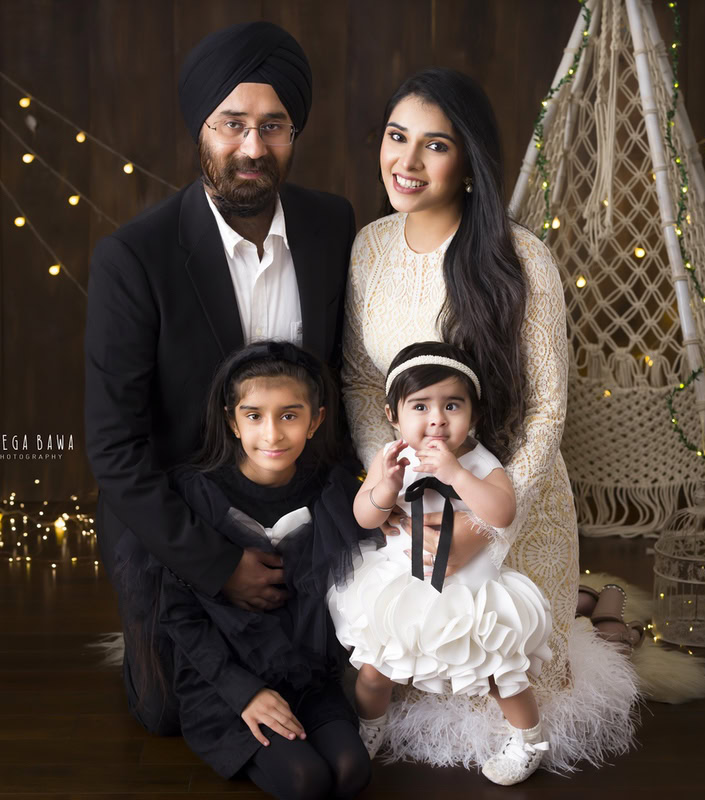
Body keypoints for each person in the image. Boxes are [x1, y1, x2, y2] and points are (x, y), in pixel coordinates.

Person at [340, 68, 638, 772]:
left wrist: (481, 527)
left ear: (469, 161)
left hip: (509, 498)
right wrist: (397, 481)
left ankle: (590, 602)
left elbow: (547, 410)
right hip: (417, 497)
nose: (406, 163)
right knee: (392, 661)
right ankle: (601, 597)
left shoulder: (521, 259)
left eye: (434, 146)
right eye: (396, 137)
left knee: (501, 673)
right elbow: (359, 381)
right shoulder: (369, 248)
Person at [84, 21, 355, 736]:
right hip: (183, 518)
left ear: (295, 133)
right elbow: (115, 452)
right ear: (201, 129)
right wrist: (217, 563)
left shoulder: (332, 227)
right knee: (170, 712)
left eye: (274, 127)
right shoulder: (133, 259)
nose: (252, 148)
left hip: (304, 506)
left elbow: (345, 388)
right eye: (231, 124)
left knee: (356, 676)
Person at [137, 341, 379, 799]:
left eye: (289, 415)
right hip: (223, 677)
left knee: (352, 771)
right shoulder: (196, 495)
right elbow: (179, 616)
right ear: (233, 421)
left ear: (316, 420)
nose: (272, 434)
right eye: (254, 416)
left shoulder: (331, 489)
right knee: (307, 782)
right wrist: (245, 692)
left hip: (306, 674)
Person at [328, 342, 554, 785]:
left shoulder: (478, 461)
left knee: (499, 674)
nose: (436, 419)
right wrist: (385, 489)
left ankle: (529, 740)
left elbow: (502, 513)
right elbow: (364, 516)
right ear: (393, 415)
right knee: (375, 671)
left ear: (473, 413)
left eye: (452, 405)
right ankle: (370, 727)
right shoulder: (392, 458)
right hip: (401, 591)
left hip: (468, 593)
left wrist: (456, 475)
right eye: (420, 406)